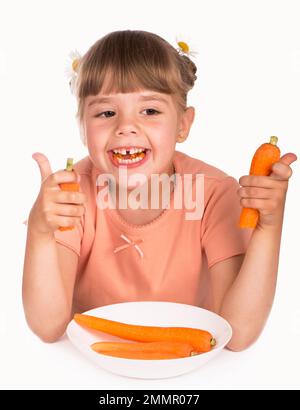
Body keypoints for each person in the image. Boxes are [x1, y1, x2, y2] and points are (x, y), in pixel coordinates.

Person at [22, 30, 297, 349]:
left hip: (186, 356)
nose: (126, 126)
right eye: (106, 112)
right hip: (96, 356)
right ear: (83, 126)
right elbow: (47, 325)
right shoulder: (72, 193)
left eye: (150, 111)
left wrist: (269, 227)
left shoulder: (215, 194)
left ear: (183, 124)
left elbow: (236, 334)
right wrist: (40, 232)